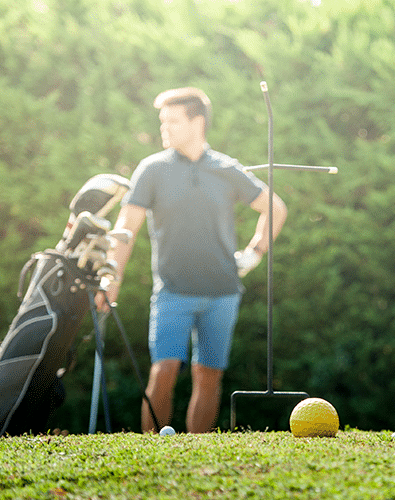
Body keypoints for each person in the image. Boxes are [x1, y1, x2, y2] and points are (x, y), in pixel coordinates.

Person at [98, 87, 287, 433]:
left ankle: (197, 451)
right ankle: (151, 447)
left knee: (209, 375)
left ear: (197, 122)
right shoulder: (151, 169)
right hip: (173, 291)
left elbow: (275, 208)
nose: (164, 128)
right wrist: (112, 278)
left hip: (223, 291)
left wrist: (255, 252)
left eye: (172, 121)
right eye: (162, 121)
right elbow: (126, 229)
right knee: (164, 369)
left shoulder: (226, 169)